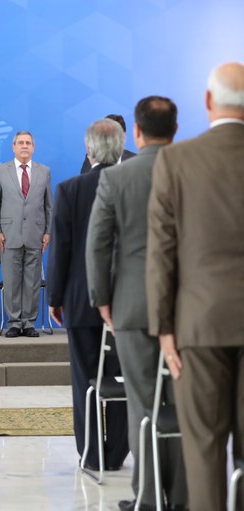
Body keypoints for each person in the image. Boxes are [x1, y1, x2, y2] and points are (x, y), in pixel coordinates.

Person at [146, 61, 244, 511]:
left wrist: (164, 329)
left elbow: (161, 254)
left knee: (204, 450)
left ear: (207, 101)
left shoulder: (177, 160)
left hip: (198, 326)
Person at [86, 97, 186, 511]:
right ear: (175, 129)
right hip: (187, 307)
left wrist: (102, 300)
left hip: (130, 305)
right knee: (182, 404)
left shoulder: (116, 177)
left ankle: (147, 497)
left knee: (141, 402)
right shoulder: (193, 171)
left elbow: (98, 244)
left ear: (138, 133)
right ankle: (182, 498)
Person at [47, 118, 129, 471]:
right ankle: (117, 454)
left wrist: (55, 298)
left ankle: (92, 454)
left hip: (80, 301)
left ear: (89, 149)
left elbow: (60, 249)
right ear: (122, 148)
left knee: (85, 379)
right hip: (128, 303)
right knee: (124, 379)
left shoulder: (70, 189)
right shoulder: (136, 185)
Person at [0, 131, 52, 337]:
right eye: (21, 143)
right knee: (12, 282)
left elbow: (48, 206)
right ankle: (14, 323)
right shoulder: (1, 170)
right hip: (8, 235)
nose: (24, 146)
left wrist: (48, 232)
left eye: (28, 143)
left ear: (33, 147)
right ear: (13, 147)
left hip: (36, 234)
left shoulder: (44, 171)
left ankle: (29, 323)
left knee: (32, 283)